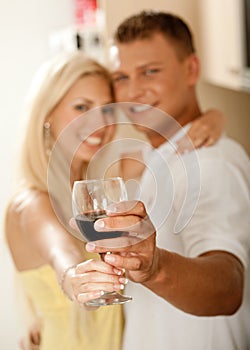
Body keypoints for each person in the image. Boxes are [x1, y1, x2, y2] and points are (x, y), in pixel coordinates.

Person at [5, 51, 223, 349]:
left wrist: (214, 117)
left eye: (106, 110)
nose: (98, 123)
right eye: (82, 107)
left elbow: (171, 150)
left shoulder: (96, 183)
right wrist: (74, 280)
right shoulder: (32, 205)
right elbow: (63, 257)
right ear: (47, 116)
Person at [83, 11, 250, 350]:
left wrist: (154, 267)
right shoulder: (155, 159)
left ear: (191, 69)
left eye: (150, 72)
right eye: (122, 76)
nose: (135, 90)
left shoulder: (210, 163)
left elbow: (228, 287)